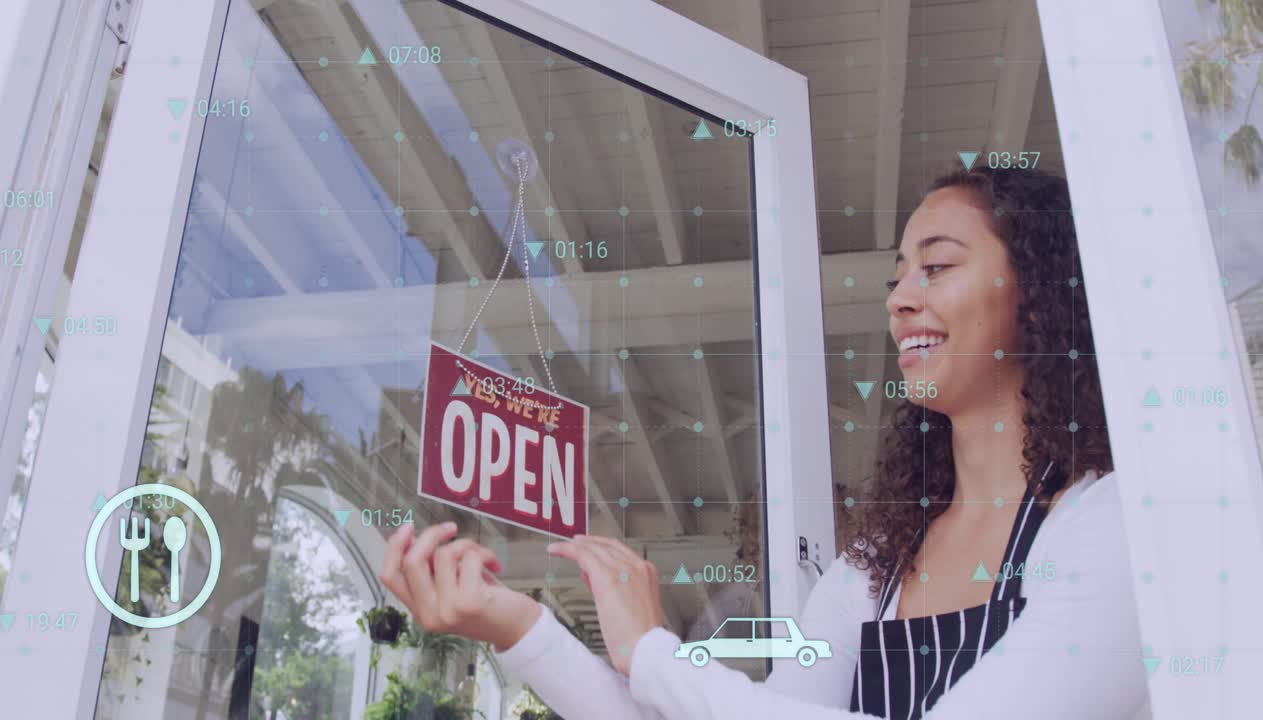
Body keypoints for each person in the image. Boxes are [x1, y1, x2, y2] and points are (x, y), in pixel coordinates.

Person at [378, 165, 1151, 719]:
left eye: (937, 267)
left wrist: (653, 654)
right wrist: (518, 626)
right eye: (897, 279)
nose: (902, 299)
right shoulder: (874, 569)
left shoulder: (1114, 526)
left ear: (1040, 295)